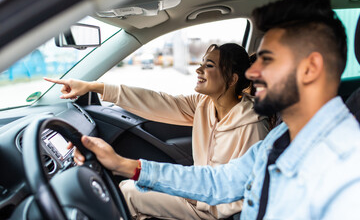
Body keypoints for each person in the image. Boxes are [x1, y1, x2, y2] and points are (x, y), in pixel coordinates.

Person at [45, 43, 269, 219]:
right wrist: (95, 87)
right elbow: (158, 101)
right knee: (128, 190)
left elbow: (245, 192)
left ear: (231, 79)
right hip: (198, 196)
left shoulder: (253, 125)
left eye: (209, 65)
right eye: (202, 63)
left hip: (217, 211)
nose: (198, 69)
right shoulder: (204, 104)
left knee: (129, 195)